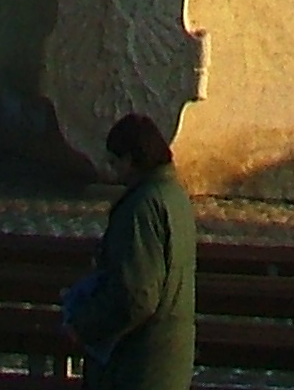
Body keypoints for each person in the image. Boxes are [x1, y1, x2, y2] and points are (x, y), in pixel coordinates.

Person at [60, 111, 198, 390]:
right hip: (165, 357)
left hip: (139, 366)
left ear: (131, 159)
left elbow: (136, 296)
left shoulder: (141, 208)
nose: (112, 171)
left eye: (115, 161)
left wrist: (84, 325)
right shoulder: (173, 195)